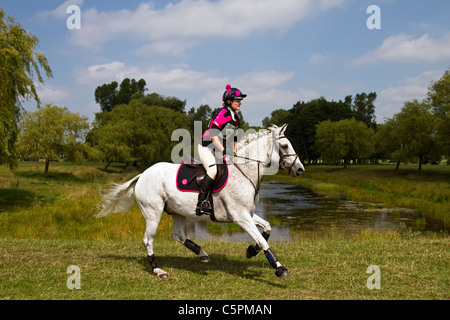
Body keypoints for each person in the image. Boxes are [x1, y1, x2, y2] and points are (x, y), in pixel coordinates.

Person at [196, 84, 247, 216]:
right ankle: (201, 203)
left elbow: (234, 138)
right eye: (237, 100)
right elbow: (213, 134)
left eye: (240, 100)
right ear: (229, 101)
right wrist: (224, 150)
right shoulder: (223, 113)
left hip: (218, 149)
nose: (240, 102)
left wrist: (235, 152)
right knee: (213, 170)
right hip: (207, 147)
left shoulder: (236, 118)